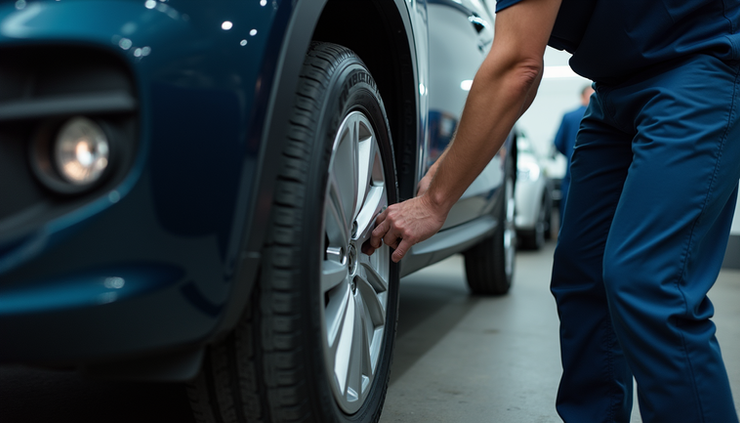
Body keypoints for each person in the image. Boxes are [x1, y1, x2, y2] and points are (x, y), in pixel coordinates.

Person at [363, 0, 740, 421]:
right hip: (613, 89)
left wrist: (435, 201)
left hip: (700, 63)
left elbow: (519, 67)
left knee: (649, 282)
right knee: (583, 277)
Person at [553, 85, 593, 227]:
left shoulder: (569, 116)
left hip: (572, 171)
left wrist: (571, 154)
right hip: (597, 172)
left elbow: (558, 143)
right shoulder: (603, 117)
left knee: (568, 212)